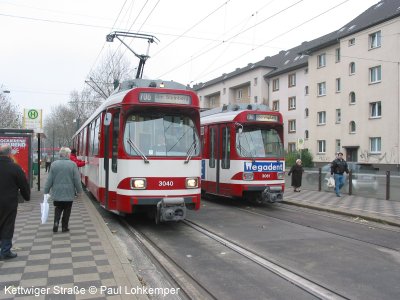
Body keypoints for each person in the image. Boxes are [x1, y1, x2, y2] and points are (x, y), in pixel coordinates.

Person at [0, 144, 31, 260]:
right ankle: (5, 251)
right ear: (9, 154)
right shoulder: (15, 167)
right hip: (9, 202)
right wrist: (26, 196)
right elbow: (23, 184)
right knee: (8, 224)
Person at [44, 147, 82, 233]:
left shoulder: (54, 164)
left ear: (60, 154)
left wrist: (46, 191)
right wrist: (79, 191)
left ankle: (56, 223)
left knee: (58, 208)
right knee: (67, 210)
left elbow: (49, 179)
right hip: (69, 192)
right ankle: (64, 227)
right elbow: (77, 180)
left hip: (57, 192)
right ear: (68, 155)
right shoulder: (73, 164)